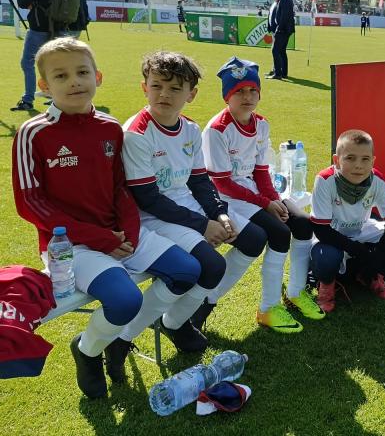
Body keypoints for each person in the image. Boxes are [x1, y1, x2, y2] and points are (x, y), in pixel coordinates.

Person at [12, 38, 202, 398]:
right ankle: (87, 350)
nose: (74, 82)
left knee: (187, 271)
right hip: (71, 245)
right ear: (44, 85)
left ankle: (119, 338)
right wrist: (101, 240)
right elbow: (30, 203)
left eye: (82, 72)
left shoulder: (110, 126)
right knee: (125, 299)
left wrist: (126, 232)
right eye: (61, 75)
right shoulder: (32, 133)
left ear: (97, 76)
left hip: (119, 233)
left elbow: (121, 189)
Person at [122, 52, 268, 351]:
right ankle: (149, 330)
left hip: (187, 206)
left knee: (253, 238)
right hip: (155, 217)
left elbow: (200, 181)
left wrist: (221, 214)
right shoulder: (136, 134)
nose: (165, 94)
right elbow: (148, 199)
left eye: (175, 88)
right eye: (158, 85)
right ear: (144, 87)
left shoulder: (189, 128)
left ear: (191, 94)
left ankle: (179, 318)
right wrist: (204, 225)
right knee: (211, 265)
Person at [203, 57, 323, 332]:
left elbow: (260, 170)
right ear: (227, 97)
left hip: (256, 193)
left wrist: (274, 199)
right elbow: (223, 184)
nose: (247, 97)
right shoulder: (217, 130)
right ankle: (268, 308)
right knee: (279, 233)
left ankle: (295, 292)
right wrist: (265, 203)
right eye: (238, 92)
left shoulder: (262, 124)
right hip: (230, 199)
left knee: (303, 223)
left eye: (252, 91)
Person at [310, 129, 385, 313]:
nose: (358, 166)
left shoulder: (377, 179)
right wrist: (361, 252)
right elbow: (321, 230)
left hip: (361, 230)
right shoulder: (324, 180)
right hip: (330, 236)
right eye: (350, 158)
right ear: (337, 160)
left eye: (365, 159)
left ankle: (371, 275)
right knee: (326, 258)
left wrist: (379, 255)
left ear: (373, 161)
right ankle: (327, 284)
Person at [11, 0, 61, 112]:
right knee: (55, 67)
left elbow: (21, 2)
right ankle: (57, 98)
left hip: (37, 30)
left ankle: (28, 100)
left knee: (27, 63)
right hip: (58, 31)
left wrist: (33, 3)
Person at [268, 0, 293, 80]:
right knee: (282, 51)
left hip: (282, 30)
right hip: (284, 29)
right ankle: (283, 73)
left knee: (275, 51)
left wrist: (279, 29)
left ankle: (278, 73)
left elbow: (284, 17)